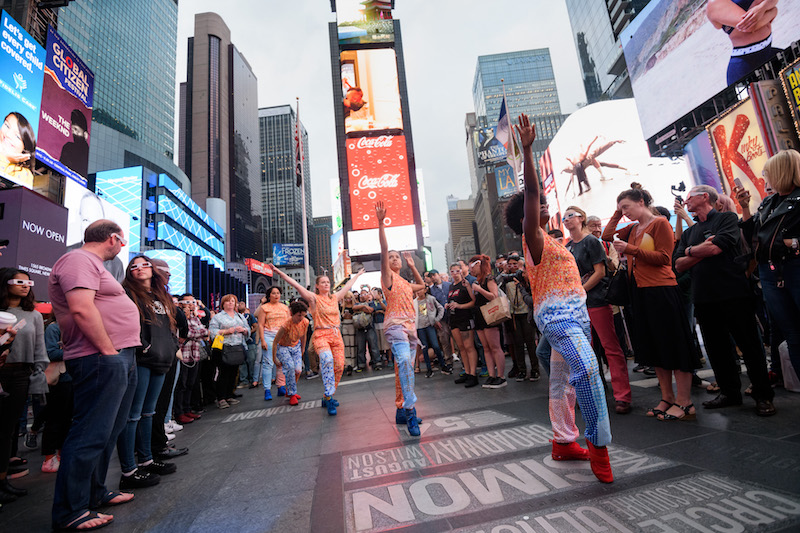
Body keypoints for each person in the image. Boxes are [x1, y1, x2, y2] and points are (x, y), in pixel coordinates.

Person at [508, 113, 613, 483]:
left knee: (562, 382)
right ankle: (598, 446)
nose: (544, 205)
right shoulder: (532, 238)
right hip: (559, 320)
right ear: (527, 216)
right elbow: (534, 193)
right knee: (587, 371)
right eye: (535, 206)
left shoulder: (554, 241)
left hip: (575, 319)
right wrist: (526, 149)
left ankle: (564, 441)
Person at [49, 220, 141, 530]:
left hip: (116, 355)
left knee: (107, 432)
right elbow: (81, 309)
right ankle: (70, 512)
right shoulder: (78, 260)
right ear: (113, 238)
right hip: (100, 357)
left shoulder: (92, 264)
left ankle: (96, 492)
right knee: (89, 434)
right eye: (123, 241)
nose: (122, 246)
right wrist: (108, 351)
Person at [603, 183, 701, 422]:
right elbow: (606, 236)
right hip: (641, 292)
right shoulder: (634, 228)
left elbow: (665, 259)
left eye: (627, 207)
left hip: (662, 290)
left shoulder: (660, 223)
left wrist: (632, 250)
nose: (624, 212)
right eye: (621, 209)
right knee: (655, 346)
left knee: (675, 344)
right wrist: (617, 212)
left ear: (641, 202)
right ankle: (667, 397)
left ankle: (685, 401)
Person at [675, 185, 776, 416]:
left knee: (750, 346)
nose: (686, 202)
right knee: (716, 349)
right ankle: (730, 393)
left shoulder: (727, 218)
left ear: (703, 197)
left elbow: (718, 248)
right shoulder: (690, 233)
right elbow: (678, 265)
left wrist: (691, 252)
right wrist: (697, 249)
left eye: (689, 197)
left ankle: (763, 395)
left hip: (734, 293)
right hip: (704, 297)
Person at [736, 149, 800, 381]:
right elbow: (755, 237)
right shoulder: (768, 202)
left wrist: (792, 243)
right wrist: (744, 207)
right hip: (771, 271)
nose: (765, 178)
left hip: (793, 267)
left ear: (781, 172)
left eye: (768, 173)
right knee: (791, 333)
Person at [116, 256, 179, 490]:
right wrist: (144, 346)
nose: (139, 269)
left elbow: (171, 325)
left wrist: (172, 347)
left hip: (162, 360)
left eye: (144, 265)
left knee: (149, 413)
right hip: (141, 360)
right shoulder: (128, 294)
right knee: (133, 414)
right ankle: (129, 470)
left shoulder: (160, 296)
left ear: (153, 270)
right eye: (134, 266)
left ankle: (146, 460)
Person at [563, 206, 633, 414]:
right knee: (586, 350)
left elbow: (599, 272)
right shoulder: (568, 247)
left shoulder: (591, 241)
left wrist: (580, 292)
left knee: (610, 347)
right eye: (564, 217)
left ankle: (623, 395)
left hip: (596, 300)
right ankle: (594, 391)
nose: (566, 220)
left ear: (581, 218)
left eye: (570, 216)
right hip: (578, 305)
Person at [271, 266, 365, 415]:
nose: (326, 284)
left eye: (328, 282)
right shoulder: (314, 298)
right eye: (323, 282)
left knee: (340, 365)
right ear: (317, 286)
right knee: (327, 360)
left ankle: (328, 395)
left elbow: (347, 285)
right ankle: (328, 397)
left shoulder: (335, 297)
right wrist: (279, 272)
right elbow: (296, 284)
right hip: (321, 335)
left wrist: (358, 275)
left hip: (336, 335)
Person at [374, 202, 426, 435]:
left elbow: (423, 286)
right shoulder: (389, 279)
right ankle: (411, 410)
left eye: (397, 257)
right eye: (391, 257)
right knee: (405, 362)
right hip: (395, 327)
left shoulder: (405, 282)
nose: (394, 259)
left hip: (411, 328)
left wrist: (413, 266)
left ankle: (400, 411)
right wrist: (380, 223)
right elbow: (383, 249)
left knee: (404, 370)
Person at [0, 268, 47, 501]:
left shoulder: (34, 315)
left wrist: (39, 376)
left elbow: (40, 349)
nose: (24, 285)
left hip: (21, 374)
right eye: (18, 281)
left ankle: (2, 480)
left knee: (8, 429)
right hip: (1, 370)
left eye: (28, 282)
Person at [707, 0, 780, 85]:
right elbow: (751, 26)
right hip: (744, 68)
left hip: (766, 52)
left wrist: (761, 8)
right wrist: (773, 11)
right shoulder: (714, 3)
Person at [469, 255, 507, 388]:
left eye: (473, 266)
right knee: (486, 348)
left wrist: (479, 289)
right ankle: (492, 375)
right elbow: (475, 299)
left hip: (490, 314)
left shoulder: (489, 278)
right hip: (479, 315)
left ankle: (501, 376)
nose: (471, 270)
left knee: (495, 347)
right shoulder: (477, 281)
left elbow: (494, 296)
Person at [501, 255, 540, 382]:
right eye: (510, 264)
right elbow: (496, 285)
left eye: (515, 264)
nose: (512, 266)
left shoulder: (524, 275)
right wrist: (504, 272)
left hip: (526, 312)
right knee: (517, 343)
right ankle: (522, 370)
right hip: (514, 314)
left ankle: (535, 370)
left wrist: (522, 280)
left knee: (530, 343)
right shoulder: (505, 278)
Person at [208, 295, 249, 409]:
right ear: (223, 304)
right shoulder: (218, 317)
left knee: (234, 372)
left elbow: (248, 329)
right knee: (223, 373)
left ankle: (229, 395)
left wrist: (244, 330)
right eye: (228, 301)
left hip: (237, 347)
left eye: (233, 301)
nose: (230, 303)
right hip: (224, 348)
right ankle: (221, 398)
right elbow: (211, 331)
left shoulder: (240, 316)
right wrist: (226, 331)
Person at [173, 295, 208, 425]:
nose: (191, 305)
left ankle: (187, 409)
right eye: (188, 302)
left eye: (193, 302)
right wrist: (193, 334)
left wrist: (191, 335)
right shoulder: (178, 317)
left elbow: (204, 331)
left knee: (190, 383)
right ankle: (179, 412)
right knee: (181, 385)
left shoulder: (195, 317)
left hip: (195, 354)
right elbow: (185, 333)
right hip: (183, 355)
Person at [272, 300, 309, 406]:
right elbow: (275, 342)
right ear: (292, 314)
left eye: (303, 315)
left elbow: (304, 336)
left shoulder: (305, 322)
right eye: (299, 315)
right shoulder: (286, 325)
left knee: (298, 370)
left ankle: (290, 390)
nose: (301, 318)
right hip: (283, 347)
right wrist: (275, 358)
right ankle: (292, 393)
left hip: (296, 346)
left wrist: (302, 349)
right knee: (290, 367)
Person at [447, 263, 479, 387]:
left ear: (461, 271)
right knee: (461, 348)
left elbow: (473, 302)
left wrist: (460, 306)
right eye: (452, 271)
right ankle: (467, 371)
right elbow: (452, 300)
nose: (455, 273)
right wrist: (448, 305)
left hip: (465, 318)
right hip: (454, 319)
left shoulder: (466, 284)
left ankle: (473, 374)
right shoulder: (451, 286)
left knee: (469, 346)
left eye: (457, 271)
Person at [256, 286, 290, 401]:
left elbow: (289, 323)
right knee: (268, 363)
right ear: (269, 295)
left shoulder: (285, 308)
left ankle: (281, 385)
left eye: (278, 293)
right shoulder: (264, 308)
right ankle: (267, 389)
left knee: (281, 362)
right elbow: (260, 324)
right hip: (269, 336)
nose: (276, 295)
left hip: (282, 336)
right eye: (274, 293)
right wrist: (262, 340)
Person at [414, 287, 446, 378]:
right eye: (417, 290)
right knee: (424, 347)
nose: (418, 292)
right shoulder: (414, 302)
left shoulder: (431, 299)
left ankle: (443, 365)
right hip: (420, 327)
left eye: (420, 290)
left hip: (430, 326)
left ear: (425, 290)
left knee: (435, 345)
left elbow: (441, 308)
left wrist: (436, 319)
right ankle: (429, 369)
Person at [426, 270, 454, 370]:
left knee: (456, 339)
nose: (433, 278)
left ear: (438, 275)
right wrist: (435, 320)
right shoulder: (431, 290)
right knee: (444, 340)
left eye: (434, 275)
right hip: (441, 318)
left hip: (453, 315)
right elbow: (431, 307)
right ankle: (448, 361)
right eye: (431, 276)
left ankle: (462, 359)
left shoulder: (449, 285)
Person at [0, 112, 35, 188]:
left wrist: (5, 158)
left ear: (25, 148)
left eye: (17, 136)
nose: (8, 134)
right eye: (7, 126)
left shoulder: (25, 174)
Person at [353, 290, 380, 372]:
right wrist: (364, 307)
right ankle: (361, 364)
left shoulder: (371, 303)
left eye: (365, 294)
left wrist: (362, 309)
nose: (362, 296)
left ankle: (377, 363)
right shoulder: (356, 304)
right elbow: (354, 308)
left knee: (374, 346)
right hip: (360, 329)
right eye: (361, 294)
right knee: (361, 347)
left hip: (370, 327)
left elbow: (371, 310)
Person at [59, 109, 90, 177]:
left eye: (76, 130)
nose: (74, 133)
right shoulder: (68, 147)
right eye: (72, 130)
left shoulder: (90, 157)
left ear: (85, 135)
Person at [237, 301, 259, 389]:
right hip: (240, 342)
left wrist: (249, 333)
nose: (240, 305)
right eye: (239, 304)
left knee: (251, 360)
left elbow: (256, 326)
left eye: (242, 304)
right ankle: (244, 380)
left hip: (250, 341)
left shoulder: (250, 316)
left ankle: (253, 379)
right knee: (242, 362)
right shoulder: (236, 317)